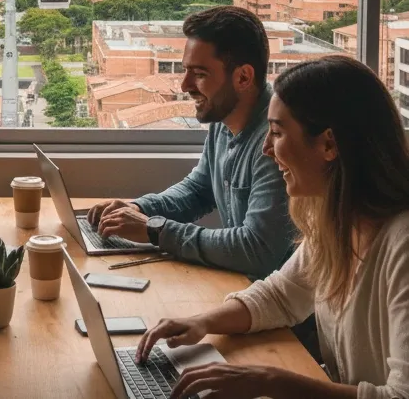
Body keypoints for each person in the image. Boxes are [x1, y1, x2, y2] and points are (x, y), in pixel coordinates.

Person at [136, 55, 409, 399]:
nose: (266, 149)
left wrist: (272, 382)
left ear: (329, 144)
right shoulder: (338, 224)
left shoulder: (402, 245)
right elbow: (281, 296)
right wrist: (202, 322)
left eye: (277, 133)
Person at [88, 5, 292, 280]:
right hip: (242, 288)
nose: (184, 86)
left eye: (199, 74)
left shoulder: (277, 142)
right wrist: (137, 209)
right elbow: (199, 190)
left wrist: (154, 230)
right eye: (185, 71)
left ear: (243, 77)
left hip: (279, 311)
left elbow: (256, 250)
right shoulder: (224, 118)